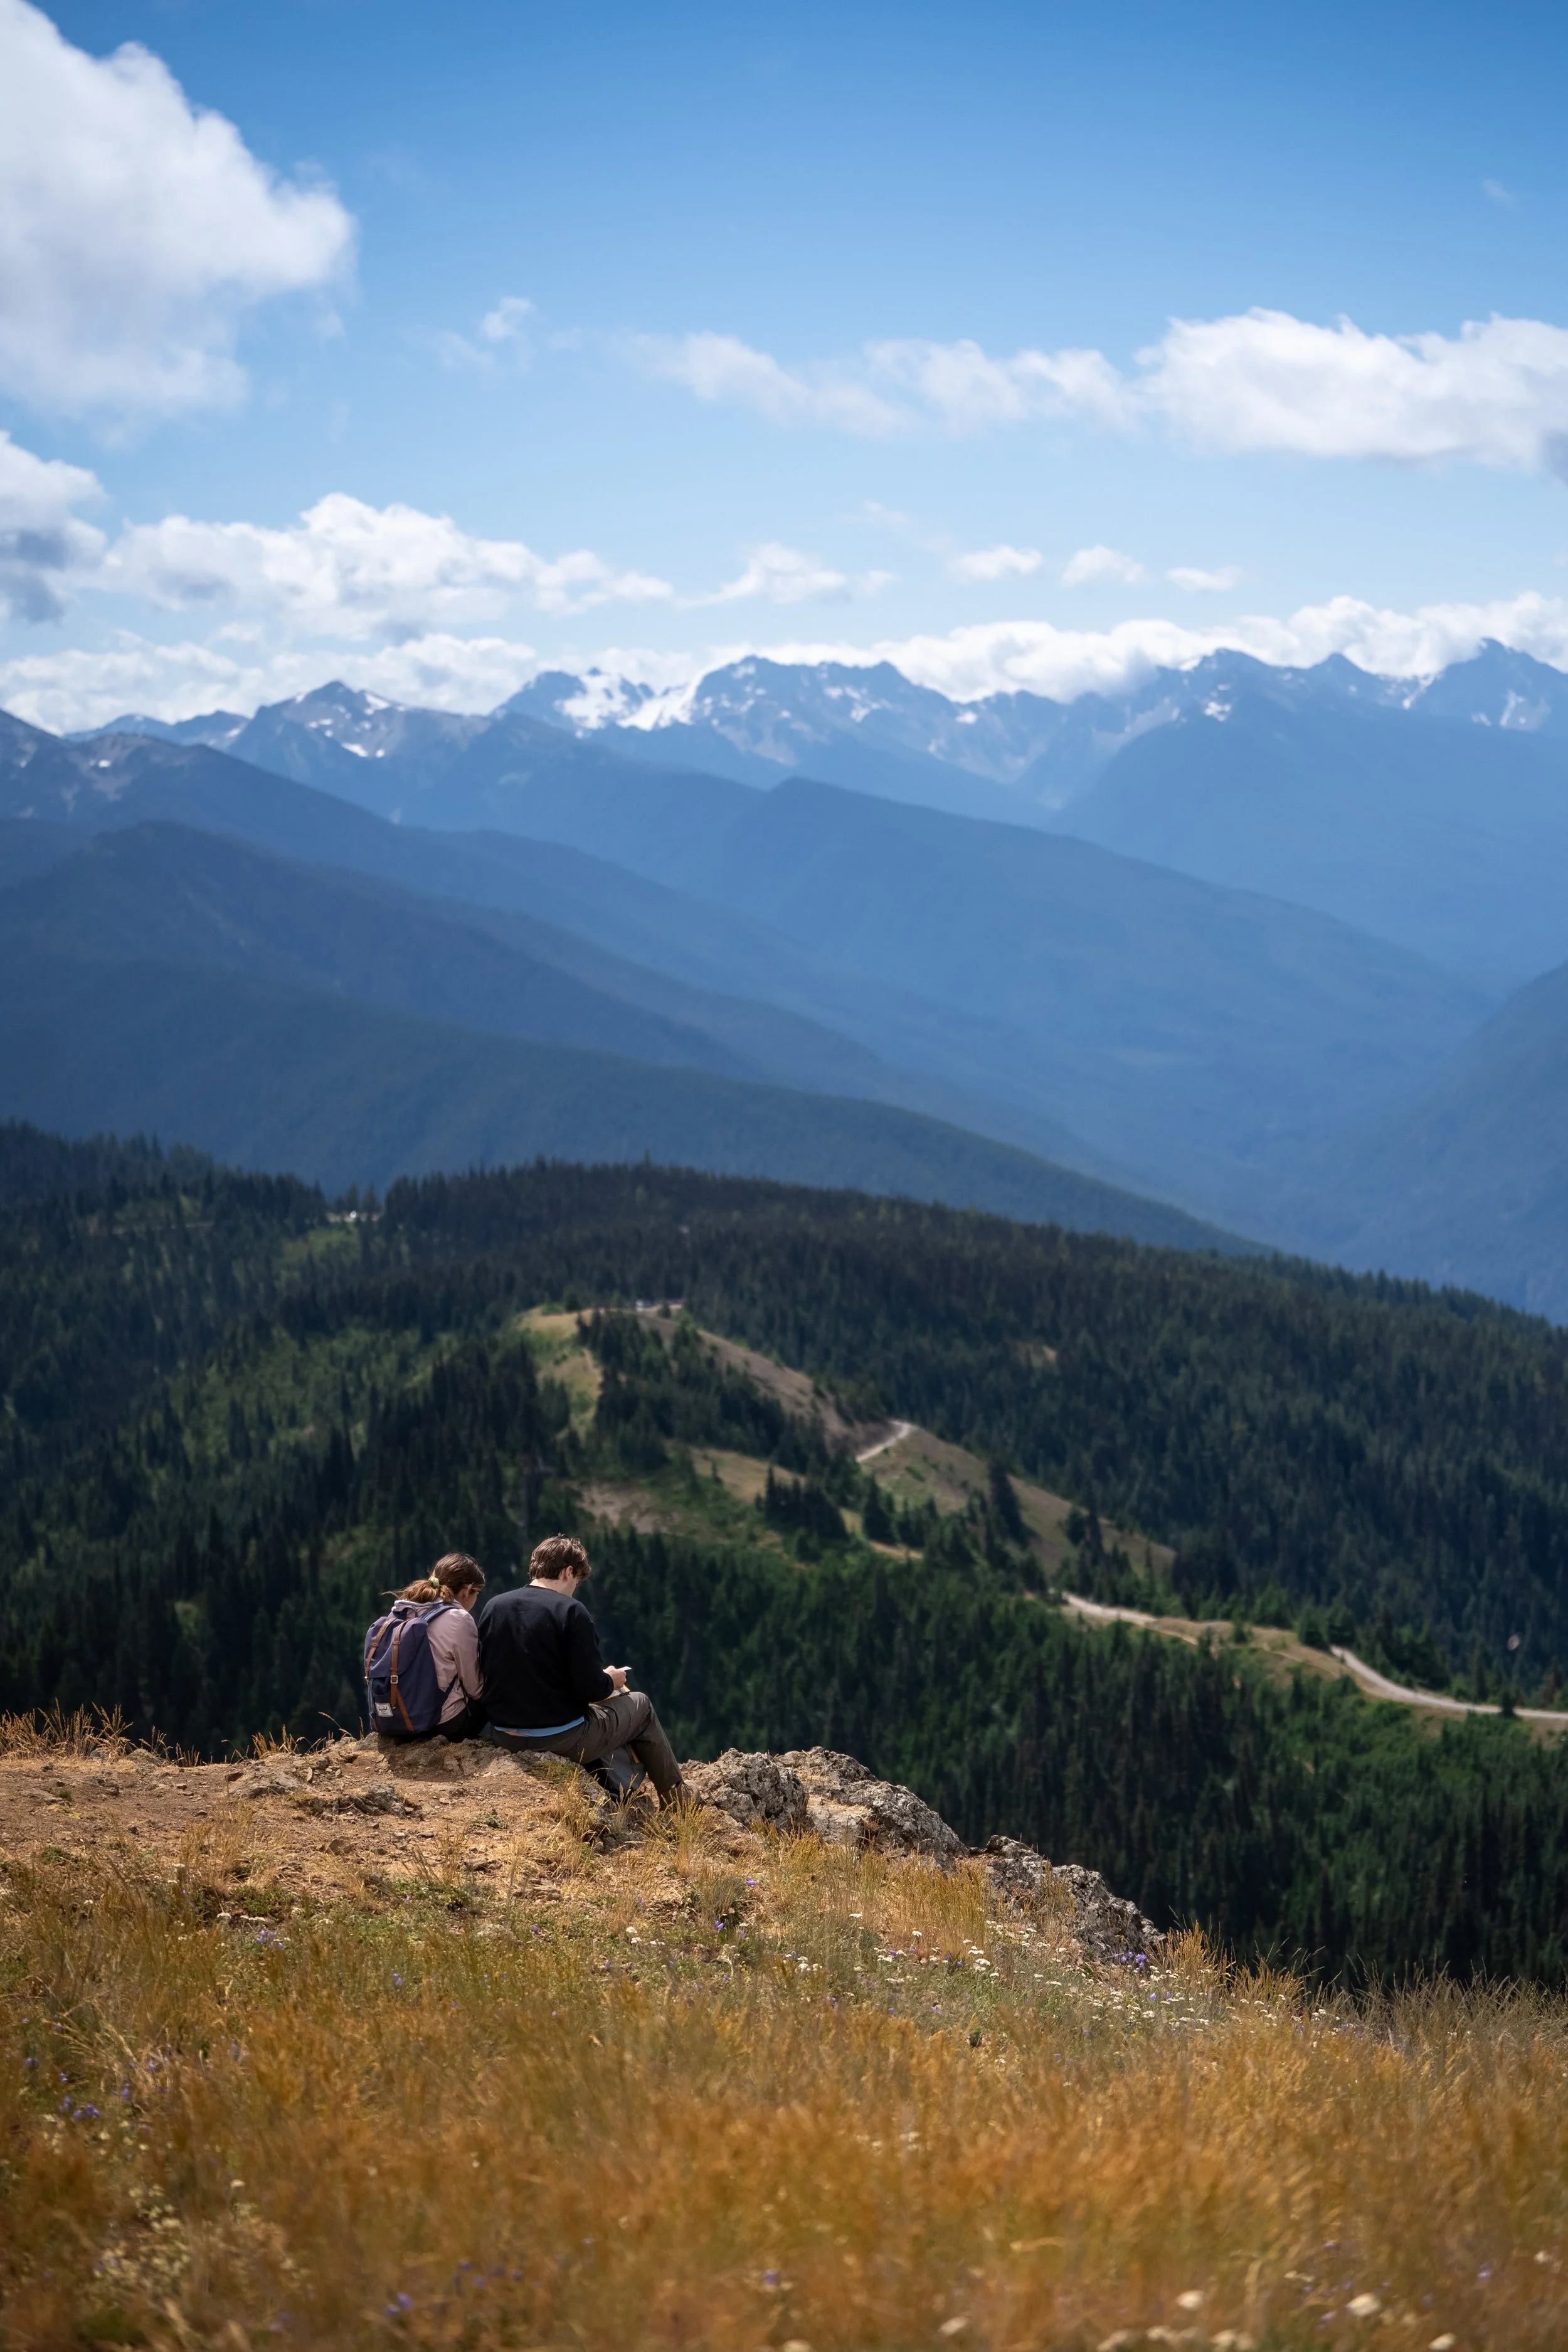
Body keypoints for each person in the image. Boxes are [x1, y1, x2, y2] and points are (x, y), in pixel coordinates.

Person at [478, 1534, 684, 1804]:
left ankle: (614, 1784)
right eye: (576, 1580)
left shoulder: (495, 1606)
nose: (575, 1587)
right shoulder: (572, 1612)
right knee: (640, 1705)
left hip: (503, 1735)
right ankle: (680, 1799)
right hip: (560, 1739)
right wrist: (610, 1680)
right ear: (568, 1572)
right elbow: (589, 1688)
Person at [383, 1552, 488, 1742]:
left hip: (397, 1718)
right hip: (439, 1724)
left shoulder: (402, 1610)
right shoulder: (460, 1619)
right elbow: (474, 1687)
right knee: (486, 1701)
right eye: (477, 1593)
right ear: (468, 1590)